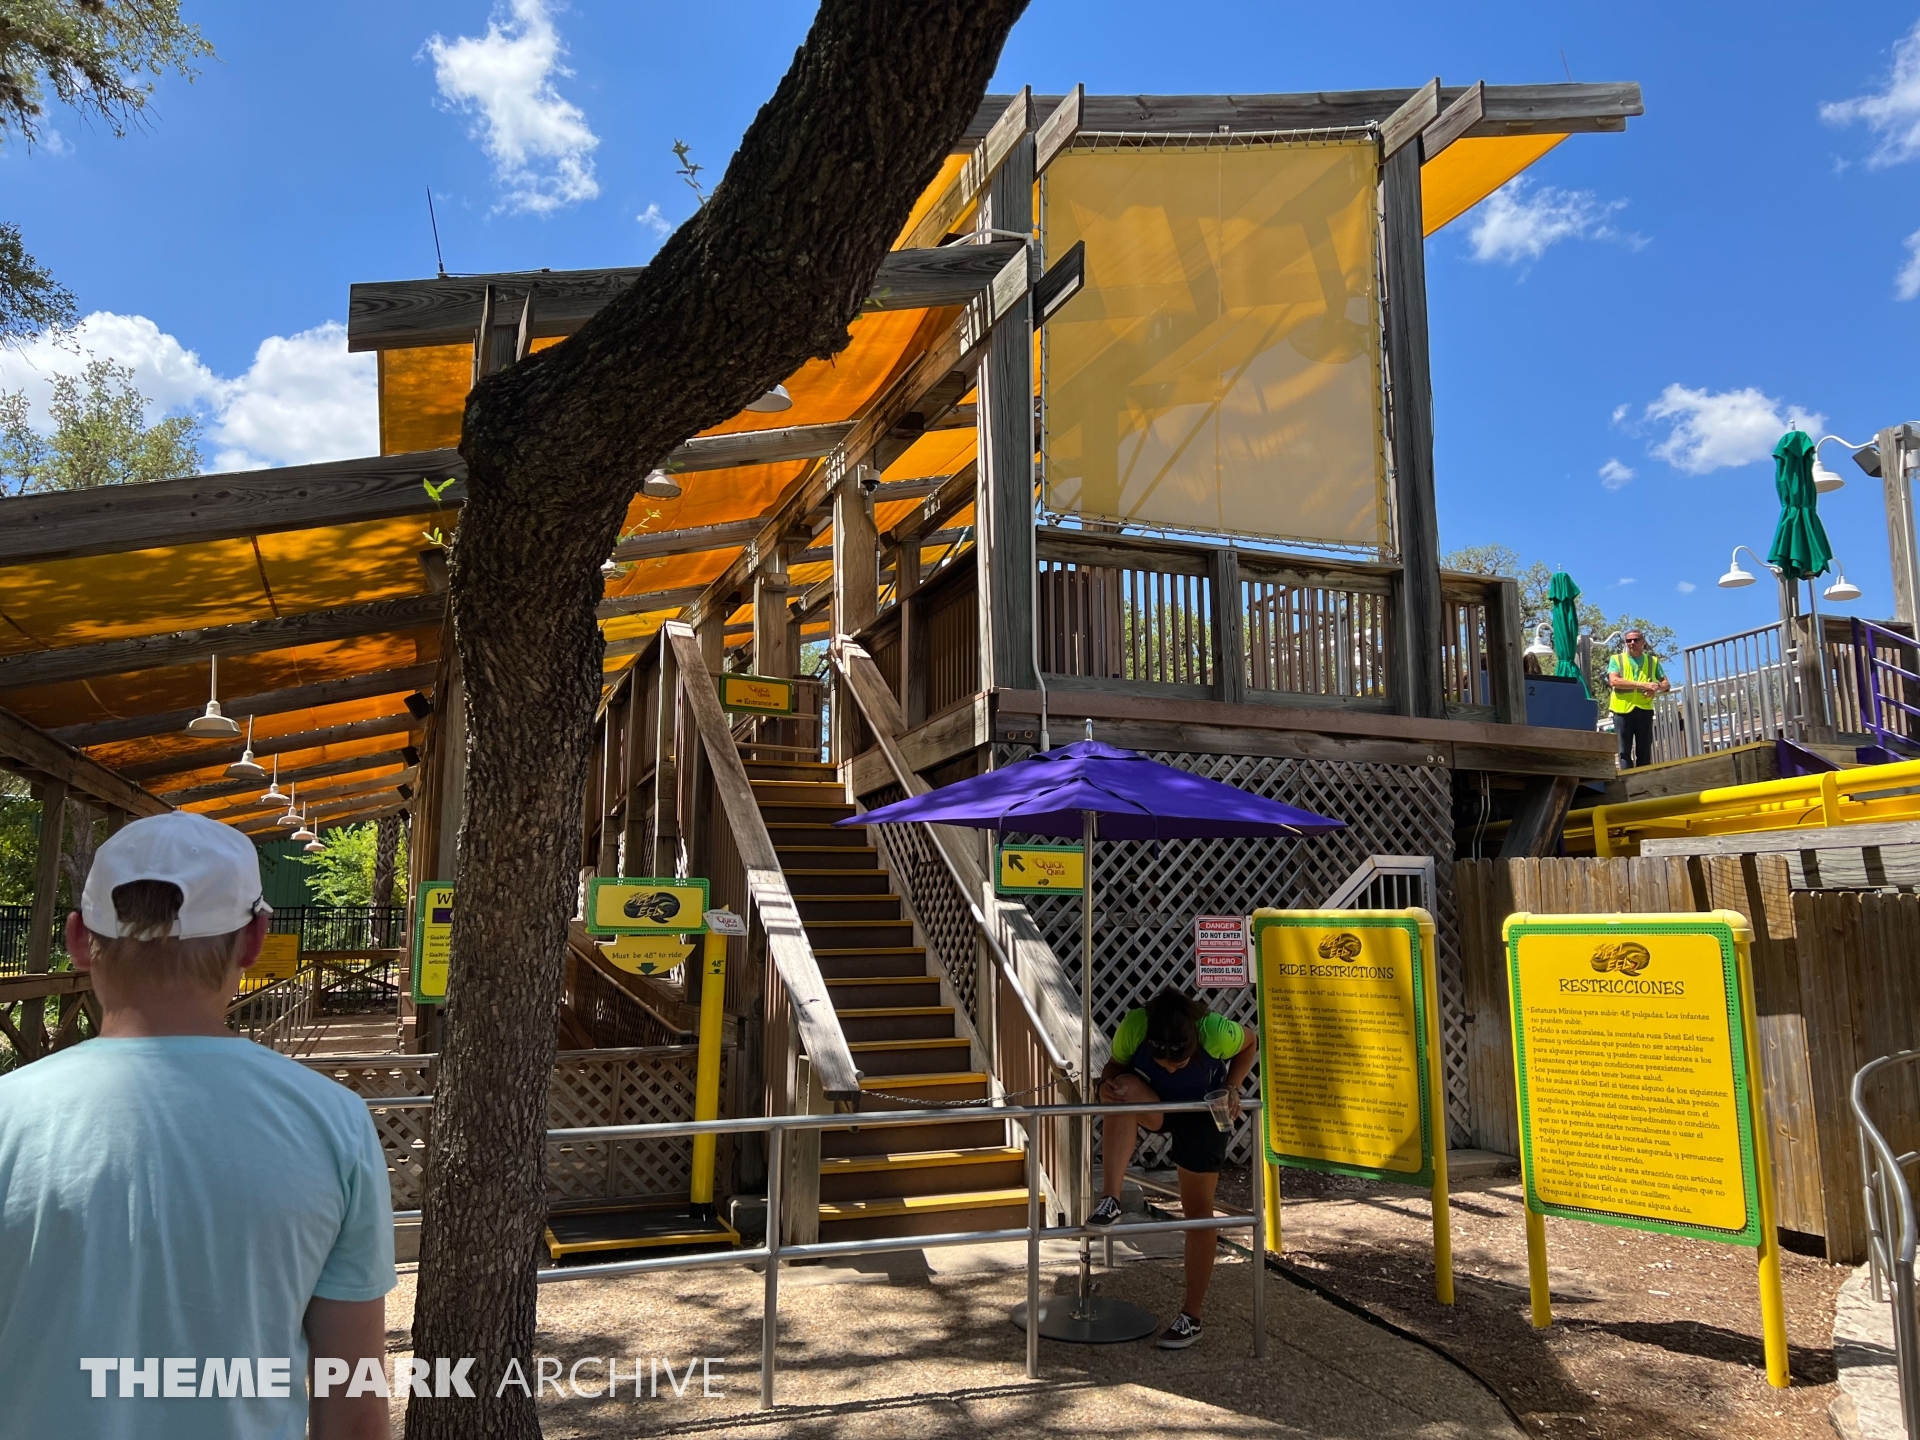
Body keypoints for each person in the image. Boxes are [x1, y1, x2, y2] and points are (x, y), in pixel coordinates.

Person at [0, 811, 394, 1440]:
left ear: (77, 938)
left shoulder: (8, 1114)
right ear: (254, 939)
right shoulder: (334, 1121)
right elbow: (353, 1404)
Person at [1088, 987, 1259, 1350]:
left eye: (1178, 1064)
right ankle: (1110, 1199)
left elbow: (1251, 1042)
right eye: (1162, 1062)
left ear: (1194, 1044)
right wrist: (1104, 1085)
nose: (1168, 1067)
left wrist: (1232, 1086)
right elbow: (1114, 1068)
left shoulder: (1215, 1030)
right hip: (1157, 1105)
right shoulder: (1135, 1025)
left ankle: (1191, 1317)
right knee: (1121, 1088)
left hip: (1203, 1113)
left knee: (1198, 1212)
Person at [1607, 629, 1669, 770]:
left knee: (1644, 749)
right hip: (1621, 710)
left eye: (1635, 640)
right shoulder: (1616, 659)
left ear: (1643, 642)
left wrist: (1656, 687)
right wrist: (1643, 685)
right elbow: (1614, 681)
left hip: (1644, 709)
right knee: (1623, 751)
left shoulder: (1652, 661)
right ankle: (1627, 779)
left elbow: (1666, 684)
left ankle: (1644, 779)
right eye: (1628, 640)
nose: (1632, 643)